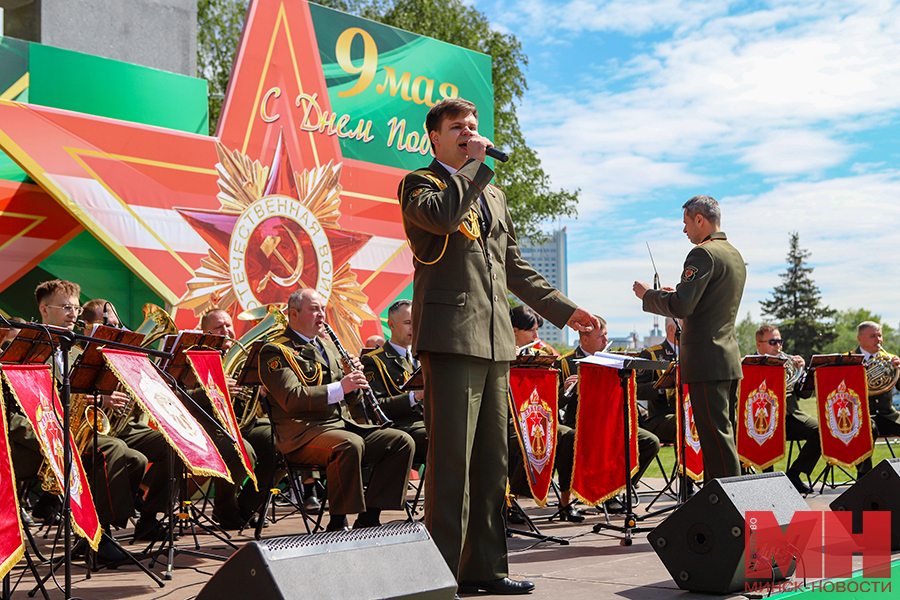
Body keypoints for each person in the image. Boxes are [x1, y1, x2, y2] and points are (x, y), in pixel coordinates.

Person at [399, 97, 599, 594]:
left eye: (473, 124)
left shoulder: (492, 194)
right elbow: (443, 220)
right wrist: (474, 166)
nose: (469, 131)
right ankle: (438, 578)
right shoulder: (420, 184)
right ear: (435, 139)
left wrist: (566, 311)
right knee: (450, 465)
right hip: (450, 341)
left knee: (491, 463)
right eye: (457, 127)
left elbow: (515, 267)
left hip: (494, 343)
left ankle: (485, 569)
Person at [259, 288, 414, 532]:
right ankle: (337, 521)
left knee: (399, 441)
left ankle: (370, 517)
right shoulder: (276, 350)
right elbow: (291, 398)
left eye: (322, 309)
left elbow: (352, 401)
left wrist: (354, 385)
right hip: (301, 434)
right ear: (294, 314)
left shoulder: (329, 347)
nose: (321, 314)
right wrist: (341, 386)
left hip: (339, 426)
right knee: (348, 444)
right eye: (313, 309)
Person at [634, 195, 746, 480]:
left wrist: (648, 295)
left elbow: (683, 306)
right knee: (724, 435)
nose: (684, 230)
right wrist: (677, 295)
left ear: (699, 219)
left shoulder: (702, 254)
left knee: (715, 441)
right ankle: (722, 503)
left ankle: (723, 509)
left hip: (706, 361)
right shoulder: (733, 254)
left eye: (686, 223)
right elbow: (701, 302)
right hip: (727, 357)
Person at [35, 280, 143, 562]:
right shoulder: (30, 348)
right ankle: (100, 536)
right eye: (65, 307)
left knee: (136, 460)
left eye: (75, 307)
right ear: (44, 310)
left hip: (74, 429)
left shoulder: (76, 352)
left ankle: (96, 533)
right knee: (113, 450)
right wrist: (93, 402)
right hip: (44, 431)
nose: (73, 314)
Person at [557, 318, 660, 507]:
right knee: (569, 439)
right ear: (584, 340)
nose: (605, 341)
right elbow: (555, 402)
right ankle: (571, 498)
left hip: (611, 423)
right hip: (581, 424)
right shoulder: (566, 362)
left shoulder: (614, 361)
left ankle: (618, 489)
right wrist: (566, 391)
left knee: (649, 442)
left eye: (606, 335)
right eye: (600, 337)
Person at [195, 307, 277, 529]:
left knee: (281, 441)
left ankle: (248, 506)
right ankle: (225, 510)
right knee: (242, 451)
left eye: (228, 326)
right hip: (209, 425)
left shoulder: (245, 355)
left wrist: (260, 389)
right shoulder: (193, 355)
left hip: (242, 421)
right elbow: (181, 396)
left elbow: (253, 396)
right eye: (218, 328)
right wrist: (215, 391)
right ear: (205, 332)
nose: (226, 331)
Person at [508, 306, 581, 522]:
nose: (536, 337)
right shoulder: (496, 352)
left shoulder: (544, 355)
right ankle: (509, 500)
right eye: (531, 331)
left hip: (540, 418)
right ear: (514, 331)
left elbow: (552, 399)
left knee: (569, 436)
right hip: (509, 419)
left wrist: (567, 390)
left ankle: (566, 502)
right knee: (523, 439)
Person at [753, 325, 820, 494]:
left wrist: (803, 372)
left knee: (820, 430)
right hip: (760, 419)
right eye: (773, 342)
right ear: (759, 345)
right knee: (762, 432)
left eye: (780, 342)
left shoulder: (788, 364)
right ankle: (770, 480)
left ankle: (794, 474)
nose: (778, 346)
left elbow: (804, 395)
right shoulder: (747, 365)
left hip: (790, 417)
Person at [360, 299, 427, 465]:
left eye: (416, 322)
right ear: (391, 324)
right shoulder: (374, 360)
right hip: (400, 427)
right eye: (408, 323)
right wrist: (415, 396)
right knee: (445, 438)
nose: (414, 327)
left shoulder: (424, 357)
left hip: (428, 422)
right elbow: (377, 407)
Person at [854, 321, 900, 476]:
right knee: (868, 428)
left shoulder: (890, 359)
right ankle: (865, 477)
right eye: (873, 336)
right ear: (860, 339)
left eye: (880, 335)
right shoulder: (849, 360)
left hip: (888, 415)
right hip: (860, 416)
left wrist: (899, 371)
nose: (878, 340)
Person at [636, 317, 679, 444]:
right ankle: (683, 464)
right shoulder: (652, 354)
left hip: (689, 412)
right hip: (660, 417)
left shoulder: (693, 353)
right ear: (670, 329)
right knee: (686, 423)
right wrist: (661, 387)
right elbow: (636, 389)